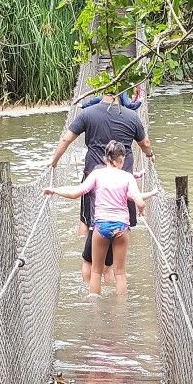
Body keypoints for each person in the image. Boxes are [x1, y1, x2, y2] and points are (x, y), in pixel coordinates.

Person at [48, 85, 153, 287]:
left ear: (101, 89)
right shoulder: (131, 116)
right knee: (120, 245)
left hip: (94, 180)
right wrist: (150, 156)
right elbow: (145, 143)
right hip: (124, 183)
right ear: (123, 90)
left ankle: (90, 263)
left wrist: (54, 161)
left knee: (89, 223)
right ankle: (112, 275)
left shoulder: (88, 113)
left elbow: (66, 139)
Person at [45, 142, 154, 295]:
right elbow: (140, 201)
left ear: (106, 159)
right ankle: (121, 310)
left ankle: (95, 309)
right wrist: (141, 210)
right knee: (120, 273)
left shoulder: (97, 174)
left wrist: (54, 190)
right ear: (121, 159)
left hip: (101, 226)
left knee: (96, 271)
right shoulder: (128, 177)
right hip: (121, 227)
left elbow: (76, 193)